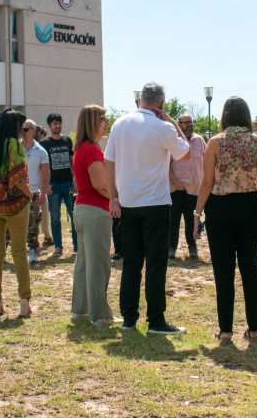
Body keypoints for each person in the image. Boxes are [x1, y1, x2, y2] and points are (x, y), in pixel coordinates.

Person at [104, 82, 191, 334]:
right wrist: (172, 122)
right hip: (156, 203)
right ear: (161, 104)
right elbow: (185, 154)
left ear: (140, 100)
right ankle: (156, 320)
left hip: (128, 202)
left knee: (131, 262)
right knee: (155, 263)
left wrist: (113, 197)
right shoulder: (163, 126)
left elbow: (108, 162)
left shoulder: (120, 124)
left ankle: (129, 318)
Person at [194, 96, 257, 341]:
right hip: (249, 204)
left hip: (220, 207)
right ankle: (255, 328)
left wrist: (197, 213)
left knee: (223, 271)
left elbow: (207, 183)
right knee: (250, 268)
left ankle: (226, 330)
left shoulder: (215, 142)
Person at [0, 108, 34, 318]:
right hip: (15, 204)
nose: (23, 130)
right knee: (19, 251)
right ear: (15, 126)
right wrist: (29, 195)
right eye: (21, 126)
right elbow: (17, 178)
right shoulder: (14, 144)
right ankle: (24, 302)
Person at [71, 105, 122, 327]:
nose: (106, 124)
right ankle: (100, 315)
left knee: (84, 264)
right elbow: (100, 184)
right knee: (99, 265)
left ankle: (80, 310)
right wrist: (117, 199)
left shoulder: (81, 148)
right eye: (103, 120)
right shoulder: (91, 149)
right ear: (93, 122)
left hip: (83, 210)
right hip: (95, 212)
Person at [6, 119, 50, 264]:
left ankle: (32, 249)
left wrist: (43, 193)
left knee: (33, 222)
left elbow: (46, 173)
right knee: (10, 222)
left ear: (33, 130)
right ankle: (4, 250)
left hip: (33, 191)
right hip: (15, 191)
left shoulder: (40, 151)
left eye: (26, 130)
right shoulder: (15, 148)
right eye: (22, 130)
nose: (23, 133)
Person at [168, 113, 206, 260]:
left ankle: (192, 247)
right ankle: (171, 248)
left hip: (194, 189)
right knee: (174, 220)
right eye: (185, 122)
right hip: (175, 188)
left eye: (190, 122)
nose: (189, 124)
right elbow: (166, 166)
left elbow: (206, 162)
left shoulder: (200, 141)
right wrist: (176, 182)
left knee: (192, 220)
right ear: (179, 124)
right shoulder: (174, 141)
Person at [41, 113, 75, 257]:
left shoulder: (67, 140)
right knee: (55, 218)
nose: (57, 126)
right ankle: (58, 247)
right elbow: (41, 167)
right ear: (49, 126)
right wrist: (46, 185)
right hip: (53, 185)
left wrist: (75, 179)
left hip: (68, 183)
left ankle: (77, 245)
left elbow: (72, 160)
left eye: (59, 123)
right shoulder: (44, 143)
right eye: (54, 123)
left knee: (74, 215)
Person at [35, 125, 55, 246]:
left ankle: (46, 234)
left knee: (43, 210)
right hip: (36, 184)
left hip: (40, 183)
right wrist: (45, 186)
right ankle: (45, 235)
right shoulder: (37, 149)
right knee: (42, 210)